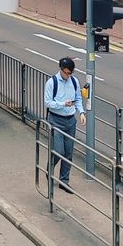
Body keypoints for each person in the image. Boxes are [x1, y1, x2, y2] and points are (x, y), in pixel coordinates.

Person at [43, 57, 86, 192]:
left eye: (70, 73)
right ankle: (49, 168)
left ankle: (64, 181)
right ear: (61, 70)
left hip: (70, 120)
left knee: (68, 153)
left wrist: (81, 112)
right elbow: (47, 102)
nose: (68, 76)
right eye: (67, 73)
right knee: (59, 151)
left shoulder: (74, 81)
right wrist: (63, 104)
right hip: (56, 119)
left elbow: (78, 98)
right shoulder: (51, 83)